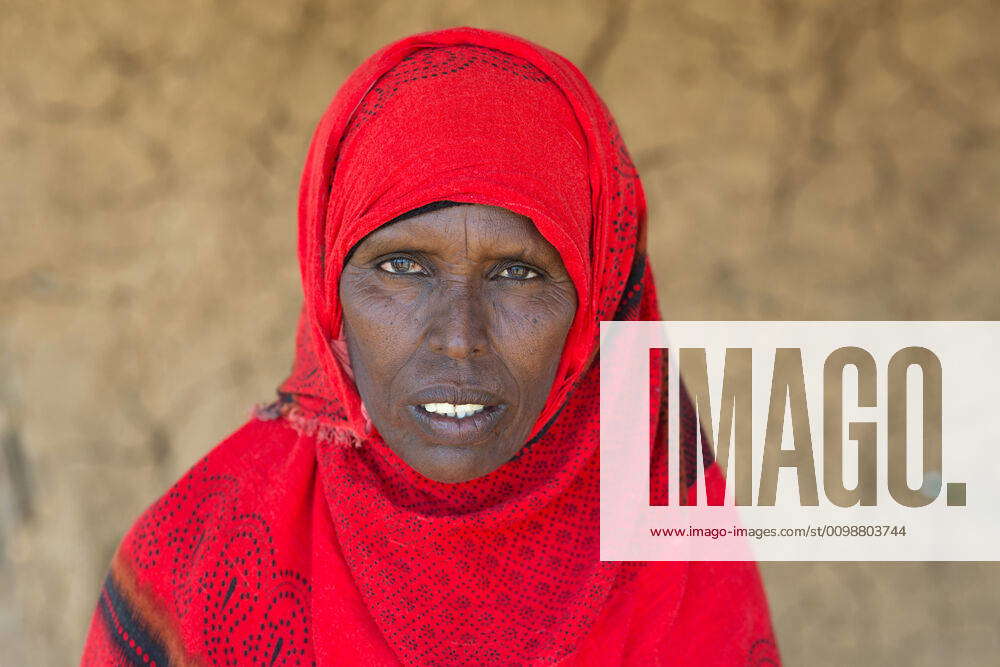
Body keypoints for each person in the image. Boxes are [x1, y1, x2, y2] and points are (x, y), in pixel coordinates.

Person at [81, 26, 780, 665]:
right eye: (403, 266)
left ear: (597, 307)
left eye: (518, 273)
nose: (458, 338)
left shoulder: (677, 550)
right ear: (328, 287)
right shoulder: (194, 563)